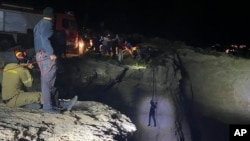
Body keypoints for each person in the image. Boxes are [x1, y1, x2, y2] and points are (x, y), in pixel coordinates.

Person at [33, 7, 77, 113]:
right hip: (46, 56)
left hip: (40, 55)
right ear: (52, 16)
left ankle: (52, 104)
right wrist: (50, 53)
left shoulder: (38, 24)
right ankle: (48, 107)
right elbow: (45, 38)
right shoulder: (47, 24)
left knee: (47, 81)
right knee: (48, 82)